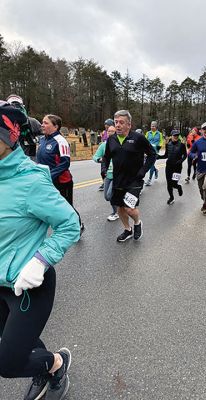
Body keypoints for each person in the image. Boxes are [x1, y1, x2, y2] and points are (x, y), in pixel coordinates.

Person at [0, 124, 80, 400]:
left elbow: (70, 224)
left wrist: (40, 260)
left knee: (7, 363)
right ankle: (44, 369)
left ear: (6, 139)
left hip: (28, 286)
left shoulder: (30, 182)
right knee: (22, 342)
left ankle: (56, 364)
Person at [103, 110, 156, 242]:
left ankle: (137, 223)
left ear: (129, 125)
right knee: (120, 208)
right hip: (118, 180)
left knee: (129, 208)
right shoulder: (111, 139)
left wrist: (143, 171)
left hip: (134, 180)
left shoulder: (138, 138)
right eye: (116, 122)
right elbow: (106, 157)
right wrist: (104, 169)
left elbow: (152, 154)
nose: (118, 125)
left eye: (121, 122)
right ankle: (128, 229)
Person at [36, 114, 85, 236]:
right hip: (45, 180)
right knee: (48, 204)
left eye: (46, 123)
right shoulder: (42, 140)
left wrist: (49, 175)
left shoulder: (61, 141)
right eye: (42, 122)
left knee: (67, 206)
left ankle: (78, 225)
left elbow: (65, 163)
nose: (42, 125)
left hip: (62, 181)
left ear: (55, 126)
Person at [93, 125, 119, 221]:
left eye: (113, 131)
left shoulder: (119, 144)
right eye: (109, 131)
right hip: (107, 174)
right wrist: (100, 159)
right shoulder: (104, 145)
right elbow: (95, 156)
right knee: (106, 197)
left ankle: (116, 212)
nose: (110, 133)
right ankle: (117, 209)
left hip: (117, 175)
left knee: (109, 195)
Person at [6, 94, 42, 160]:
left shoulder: (32, 122)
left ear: (23, 106)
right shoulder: (3, 122)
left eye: (18, 105)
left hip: (29, 158)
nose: (16, 109)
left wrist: (35, 139)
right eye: (12, 106)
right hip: (9, 159)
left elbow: (45, 135)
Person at [157, 130, 187, 204]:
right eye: (174, 135)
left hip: (177, 167)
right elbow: (166, 155)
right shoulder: (168, 144)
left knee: (174, 184)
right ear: (171, 136)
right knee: (169, 184)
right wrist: (158, 157)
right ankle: (171, 197)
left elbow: (185, 155)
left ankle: (178, 187)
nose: (176, 137)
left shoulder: (182, 145)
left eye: (177, 135)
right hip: (169, 167)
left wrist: (180, 161)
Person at [145, 121, 163, 186]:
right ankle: (156, 170)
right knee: (148, 165)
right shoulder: (148, 133)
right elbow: (145, 140)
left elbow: (161, 141)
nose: (152, 127)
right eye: (151, 126)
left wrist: (159, 146)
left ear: (156, 127)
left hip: (155, 152)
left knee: (151, 165)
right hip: (148, 151)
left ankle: (149, 180)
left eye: (153, 126)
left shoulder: (159, 134)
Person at [98, 118, 114, 190]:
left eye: (107, 125)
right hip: (104, 151)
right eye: (105, 125)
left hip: (111, 151)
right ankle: (104, 182)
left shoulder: (113, 131)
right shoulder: (104, 132)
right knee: (102, 171)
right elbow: (103, 140)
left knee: (110, 170)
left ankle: (108, 182)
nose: (106, 126)